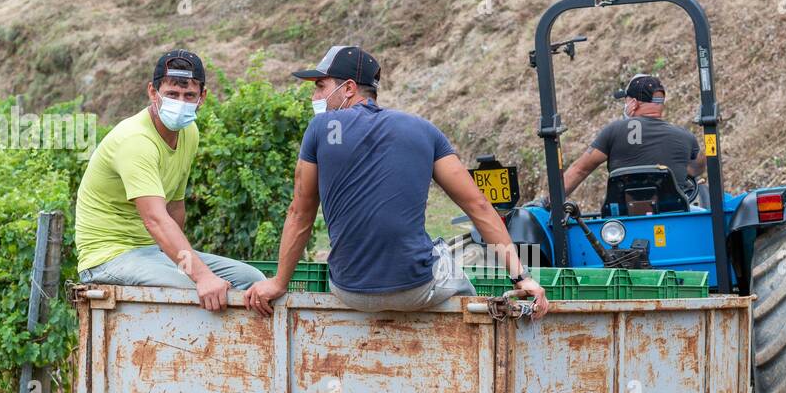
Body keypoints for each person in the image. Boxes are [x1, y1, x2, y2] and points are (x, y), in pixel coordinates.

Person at [246, 45, 547, 316]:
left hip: (349, 290)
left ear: (348, 88)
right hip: (415, 288)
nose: (315, 98)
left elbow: (300, 212)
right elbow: (478, 206)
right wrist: (522, 277)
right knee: (450, 263)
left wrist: (279, 282)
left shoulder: (321, 128)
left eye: (320, 87)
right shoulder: (423, 130)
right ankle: (467, 339)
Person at [75, 49, 264, 311]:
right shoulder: (136, 141)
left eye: (189, 96)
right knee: (192, 290)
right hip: (109, 257)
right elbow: (155, 219)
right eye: (172, 94)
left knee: (251, 280)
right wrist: (201, 275)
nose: (180, 102)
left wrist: (182, 262)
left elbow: (175, 207)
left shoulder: (189, 132)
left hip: (152, 253)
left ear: (202, 97)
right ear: (153, 93)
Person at [558, 74, 705, 201]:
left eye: (626, 100)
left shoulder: (613, 131)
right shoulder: (686, 136)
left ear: (633, 103)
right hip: (673, 214)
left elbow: (580, 170)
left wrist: (548, 203)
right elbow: (697, 168)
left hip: (624, 218)